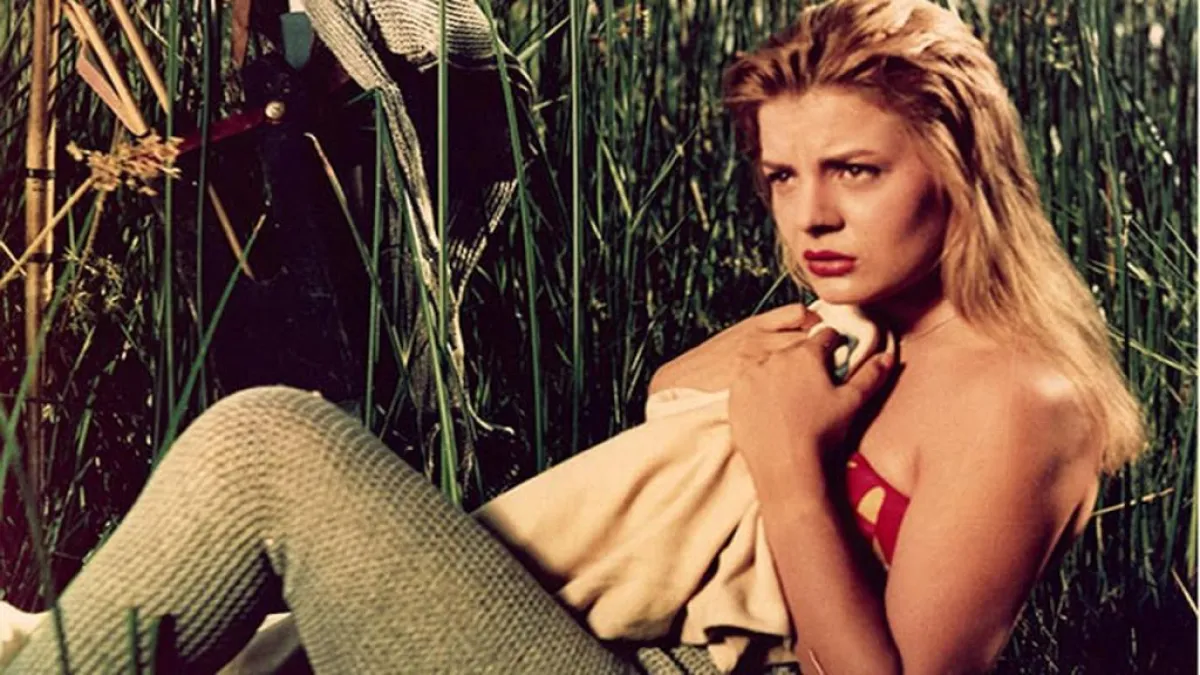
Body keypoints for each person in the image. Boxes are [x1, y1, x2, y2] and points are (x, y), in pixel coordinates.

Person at [4, 0, 1145, 673]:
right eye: (782, 177)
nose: (812, 217)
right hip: (600, 646)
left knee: (269, 444)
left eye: (856, 171)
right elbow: (673, 413)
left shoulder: (1022, 399)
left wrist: (791, 464)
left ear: (961, 169)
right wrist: (776, 394)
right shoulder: (841, 333)